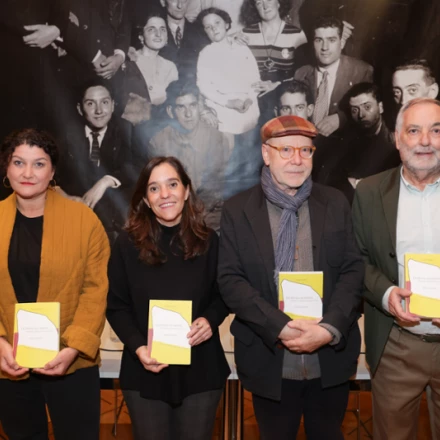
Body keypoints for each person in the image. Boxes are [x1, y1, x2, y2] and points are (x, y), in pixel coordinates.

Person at [218, 115, 364, 439]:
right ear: (266, 154)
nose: (297, 160)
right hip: (269, 360)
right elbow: (230, 280)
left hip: (330, 359)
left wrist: (328, 329)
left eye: (305, 151)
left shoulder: (336, 202)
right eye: (286, 150)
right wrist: (279, 326)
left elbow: (354, 270)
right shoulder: (237, 209)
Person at [106, 156, 230, 440]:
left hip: (201, 369)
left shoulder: (210, 241)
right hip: (144, 369)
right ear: (146, 200)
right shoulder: (126, 244)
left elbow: (224, 295)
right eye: (154, 188)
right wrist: (139, 348)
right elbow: (116, 306)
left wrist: (210, 320)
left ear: (186, 191)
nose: (164, 194)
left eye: (172, 184)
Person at [0, 128, 110, 439]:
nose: (28, 173)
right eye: (19, 162)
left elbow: (95, 290)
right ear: (7, 169)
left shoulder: (84, 220)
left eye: (39, 164)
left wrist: (74, 347)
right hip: (9, 362)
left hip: (70, 361)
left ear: (53, 171)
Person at [352, 97, 440, 439]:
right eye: (414, 130)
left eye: (436, 130)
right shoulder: (370, 192)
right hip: (397, 344)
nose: (425, 141)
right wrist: (386, 293)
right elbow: (356, 259)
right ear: (397, 138)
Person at [148, 80, 229, 229]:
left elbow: (214, 186)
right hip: (171, 212)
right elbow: (157, 190)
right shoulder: (158, 142)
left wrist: (191, 218)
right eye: (181, 107)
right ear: (171, 111)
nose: (188, 114)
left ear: (199, 106)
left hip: (207, 212)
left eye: (192, 105)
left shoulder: (215, 138)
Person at [58, 80, 132, 241]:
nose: (99, 110)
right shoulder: (65, 133)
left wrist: (106, 181)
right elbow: (50, 171)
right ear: (80, 108)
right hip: (71, 211)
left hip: (111, 214)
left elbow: (136, 166)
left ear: (113, 105)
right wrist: (63, 195)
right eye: (90, 103)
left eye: (104, 102)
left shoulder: (127, 130)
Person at [294, 15, 373, 137]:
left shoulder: (361, 71)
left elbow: (372, 113)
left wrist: (341, 118)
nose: (324, 47)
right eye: (319, 40)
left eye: (331, 40)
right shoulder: (301, 73)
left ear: (341, 43)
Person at [197, 7, 261, 138]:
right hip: (222, 110)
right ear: (205, 32)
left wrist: (250, 98)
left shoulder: (242, 48)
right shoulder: (205, 54)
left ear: (226, 24)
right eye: (208, 27)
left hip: (249, 108)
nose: (214, 28)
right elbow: (204, 86)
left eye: (217, 23)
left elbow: (255, 77)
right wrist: (228, 102)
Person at [125, 12, 178, 107]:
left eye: (162, 30)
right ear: (141, 36)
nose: (158, 34)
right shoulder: (129, 60)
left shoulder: (170, 66)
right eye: (151, 29)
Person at [158, 0, 210, 78]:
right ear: (162, 2)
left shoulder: (201, 33)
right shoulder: (152, 32)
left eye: (184, 0)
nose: (180, 5)